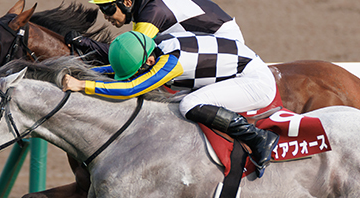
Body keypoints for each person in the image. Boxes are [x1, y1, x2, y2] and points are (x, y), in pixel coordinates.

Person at [62, 31, 279, 176]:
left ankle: (259, 138)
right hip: (238, 70)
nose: (137, 74)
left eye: (139, 71)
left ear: (150, 61)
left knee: (189, 104)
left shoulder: (170, 63)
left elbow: (130, 88)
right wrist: (84, 72)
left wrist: (82, 85)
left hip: (255, 82)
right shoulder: (155, 45)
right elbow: (119, 70)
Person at [67, 0, 245, 65]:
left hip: (225, 43)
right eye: (101, 8)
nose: (106, 16)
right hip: (211, 37)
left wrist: (84, 42)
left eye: (107, 8)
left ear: (126, 2)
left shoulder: (152, 12)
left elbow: (127, 55)